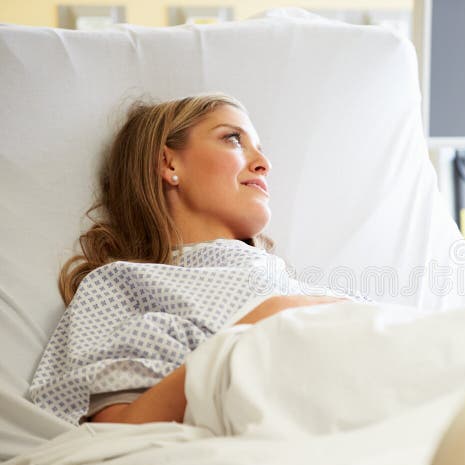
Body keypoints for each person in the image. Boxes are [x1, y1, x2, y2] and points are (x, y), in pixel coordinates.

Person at [28, 94, 355, 426]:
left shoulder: (294, 286)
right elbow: (116, 430)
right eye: (233, 139)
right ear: (169, 164)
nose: (263, 163)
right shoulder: (124, 285)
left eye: (260, 148)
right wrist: (260, 324)